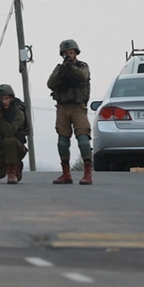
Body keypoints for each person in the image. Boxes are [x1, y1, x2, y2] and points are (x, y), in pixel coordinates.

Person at [47, 39, 93, 185]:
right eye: (66, 53)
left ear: (76, 53)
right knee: (62, 142)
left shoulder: (82, 66)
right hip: (63, 107)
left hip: (78, 106)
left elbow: (83, 76)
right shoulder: (59, 69)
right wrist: (62, 70)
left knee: (83, 139)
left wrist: (71, 68)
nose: (68, 55)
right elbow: (50, 83)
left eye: (71, 53)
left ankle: (87, 174)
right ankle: (66, 174)